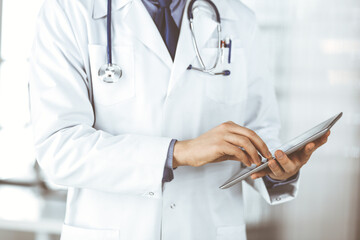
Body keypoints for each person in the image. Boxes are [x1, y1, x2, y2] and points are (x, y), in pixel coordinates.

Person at [29, 0, 330, 239]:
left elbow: (261, 129)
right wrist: (177, 152)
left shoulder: (238, 19)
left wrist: (277, 168)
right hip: (115, 228)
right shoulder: (68, 12)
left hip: (207, 228)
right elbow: (60, 147)